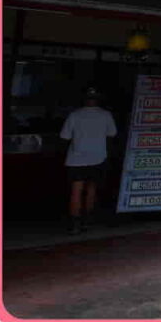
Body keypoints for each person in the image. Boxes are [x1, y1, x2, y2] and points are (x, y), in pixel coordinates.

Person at [60, 88, 117, 234]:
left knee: (76, 191)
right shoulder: (106, 115)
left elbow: (64, 137)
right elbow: (112, 134)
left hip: (76, 159)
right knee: (91, 190)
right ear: (98, 100)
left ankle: (74, 224)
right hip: (98, 157)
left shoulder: (74, 115)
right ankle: (87, 221)